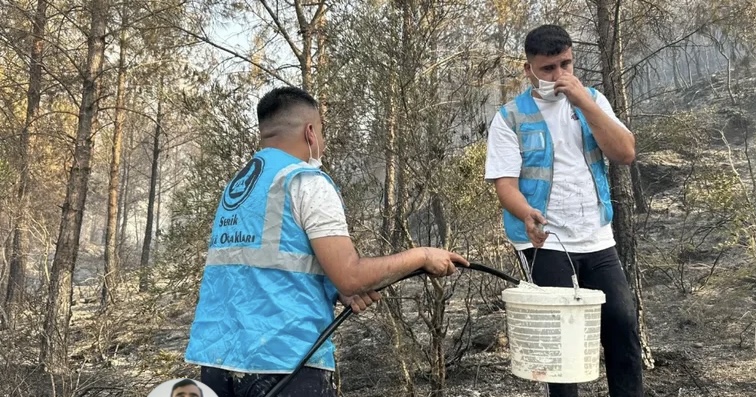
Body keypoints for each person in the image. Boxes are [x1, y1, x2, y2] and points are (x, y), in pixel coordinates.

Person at [184, 86, 468, 397]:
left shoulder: (238, 188)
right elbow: (351, 274)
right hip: (285, 361)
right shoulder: (305, 181)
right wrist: (423, 255)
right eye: (321, 128)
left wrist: (336, 289)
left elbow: (262, 267)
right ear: (310, 132)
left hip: (217, 360)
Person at [484, 25, 643, 397]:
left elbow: (625, 153)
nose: (559, 76)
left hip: (596, 237)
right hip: (546, 242)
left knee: (622, 326)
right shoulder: (510, 117)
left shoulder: (593, 101)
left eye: (565, 64)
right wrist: (526, 213)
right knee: (562, 345)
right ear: (528, 70)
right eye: (548, 69)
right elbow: (505, 185)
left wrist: (584, 103)